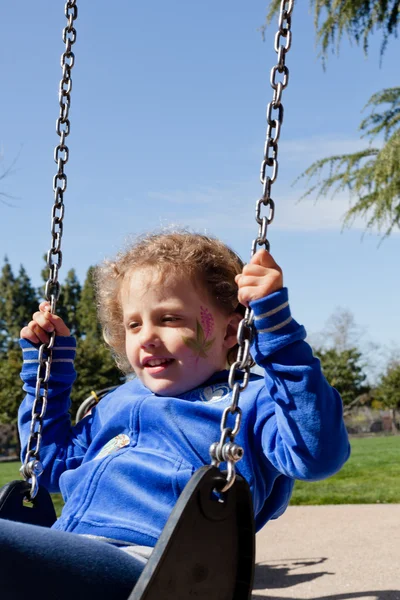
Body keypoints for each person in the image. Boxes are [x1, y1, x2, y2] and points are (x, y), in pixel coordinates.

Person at [1, 231, 350, 599]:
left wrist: (278, 335)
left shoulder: (250, 400)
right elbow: (48, 469)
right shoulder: (116, 402)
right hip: (71, 549)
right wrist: (48, 377)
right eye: (134, 324)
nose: (146, 336)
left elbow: (317, 455)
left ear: (231, 330)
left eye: (168, 318)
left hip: (154, 569)